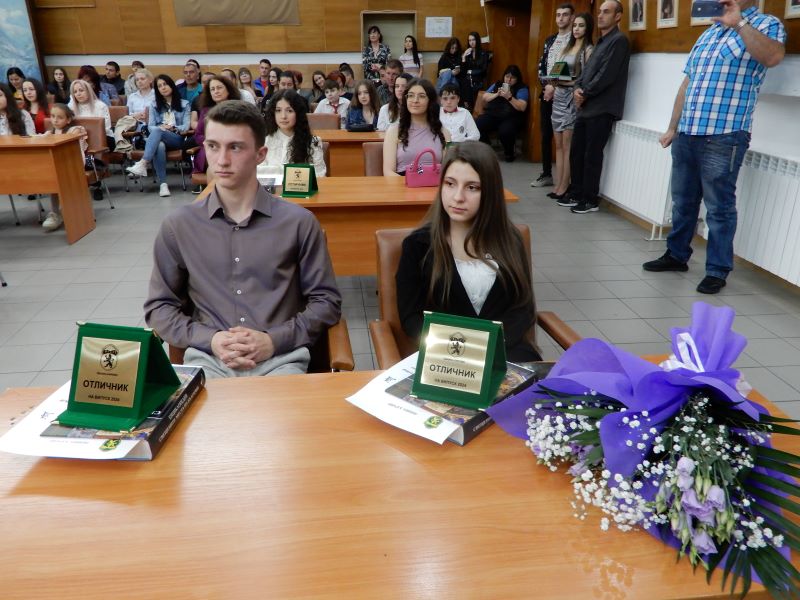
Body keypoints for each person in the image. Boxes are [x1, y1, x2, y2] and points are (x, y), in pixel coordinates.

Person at [143, 100, 342, 378]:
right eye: (213, 146)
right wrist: (210, 339)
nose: (222, 160)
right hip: (209, 359)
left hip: (281, 360)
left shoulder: (298, 222)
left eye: (235, 147)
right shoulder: (179, 226)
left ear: (261, 154)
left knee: (279, 406)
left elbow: (326, 302)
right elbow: (159, 307)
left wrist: (274, 340)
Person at [643, 0, 785, 294]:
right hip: (688, 132)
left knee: (719, 208)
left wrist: (739, 23)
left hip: (725, 134)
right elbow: (687, 84)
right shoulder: (708, 32)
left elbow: (773, 57)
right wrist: (672, 127)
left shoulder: (766, 24)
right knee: (683, 202)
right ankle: (676, 255)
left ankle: (717, 270)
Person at [396, 141, 541, 362]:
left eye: (472, 187)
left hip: (504, 354)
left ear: (490, 192)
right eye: (450, 184)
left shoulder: (510, 240)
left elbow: (523, 308)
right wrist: (457, 351)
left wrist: (490, 347)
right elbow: (411, 317)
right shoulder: (418, 245)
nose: (458, 197)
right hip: (446, 359)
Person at [559, 0, 630, 214]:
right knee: (577, 152)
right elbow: (586, 72)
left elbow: (606, 75)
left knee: (592, 155)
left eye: (606, 12)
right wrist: (577, 89)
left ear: (618, 16)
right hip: (586, 106)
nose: (600, 15)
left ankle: (590, 199)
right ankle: (576, 192)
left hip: (602, 108)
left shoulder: (619, 41)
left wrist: (584, 93)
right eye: (599, 11)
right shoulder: (600, 41)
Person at [545, 13, 594, 201]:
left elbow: (585, 79)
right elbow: (557, 71)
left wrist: (566, 82)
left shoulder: (587, 49)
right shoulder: (566, 47)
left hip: (571, 98)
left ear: (587, 28)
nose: (577, 29)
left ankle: (565, 186)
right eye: (575, 25)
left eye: (581, 25)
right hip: (558, 96)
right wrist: (553, 80)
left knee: (567, 147)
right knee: (557, 145)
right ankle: (558, 185)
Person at [126, 75, 191, 197]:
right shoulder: (154, 105)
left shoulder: (184, 104)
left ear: (171, 85)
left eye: (165, 84)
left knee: (158, 131)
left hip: (176, 138)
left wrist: (173, 128)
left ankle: (143, 162)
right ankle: (163, 185)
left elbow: (186, 126)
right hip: (158, 139)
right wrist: (161, 128)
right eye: (159, 86)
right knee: (159, 144)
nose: (163, 88)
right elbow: (150, 126)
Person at [533, 3, 574, 188]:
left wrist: (554, 86)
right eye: (558, 15)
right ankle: (546, 174)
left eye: (565, 15)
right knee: (546, 134)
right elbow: (542, 65)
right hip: (547, 92)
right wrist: (547, 86)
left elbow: (567, 67)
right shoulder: (550, 40)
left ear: (571, 18)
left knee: (564, 140)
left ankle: (565, 180)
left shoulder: (574, 40)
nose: (561, 18)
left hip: (565, 94)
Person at [383, 78, 450, 176]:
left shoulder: (444, 133)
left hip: (433, 182)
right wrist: (411, 182)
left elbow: (448, 171)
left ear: (430, 101)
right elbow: (388, 172)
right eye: (411, 95)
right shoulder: (394, 132)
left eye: (421, 96)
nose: (415, 100)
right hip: (402, 182)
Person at [41, 104, 88, 232]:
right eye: (52, 116)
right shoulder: (49, 133)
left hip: (73, 164)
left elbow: (71, 142)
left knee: (58, 177)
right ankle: (55, 213)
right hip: (56, 166)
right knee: (53, 178)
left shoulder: (74, 130)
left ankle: (68, 211)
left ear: (68, 120)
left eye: (60, 117)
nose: (55, 120)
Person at [259, 89, 327, 177]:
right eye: (278, 110)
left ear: (298, 113)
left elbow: (320, 174)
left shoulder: (313, 142)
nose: (283, 116)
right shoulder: (265, 141)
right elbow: (259, 173)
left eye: (289, 111)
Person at [475, 65, 529, 162]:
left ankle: (509, 153)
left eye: (512, 78)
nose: (509, 80)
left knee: (505, 131)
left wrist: (509, 97)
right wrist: (497, 94)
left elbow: (522, 107)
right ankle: (487, 147)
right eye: (507, 77)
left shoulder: (522, 88)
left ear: (517, 79)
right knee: (478, 124)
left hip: (511, 117)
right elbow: (485, 97)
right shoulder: (498, 84)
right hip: (494, 114)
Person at [191, 76, 241, 175]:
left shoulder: (238, 110)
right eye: (212, 89)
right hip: (211, 150)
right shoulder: (205, 111)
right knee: (214, 163)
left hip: (232, 149)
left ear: (228, 90)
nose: (216, 91)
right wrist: (213, 143)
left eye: (219, 88)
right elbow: (198, 135)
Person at [459, 31, 489, 110]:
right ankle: (467, 106)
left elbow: (484, 69)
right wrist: (464, 56)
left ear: (477, 40)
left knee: (467, 82)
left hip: (479, 78)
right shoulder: (468, 53)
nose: (471, 42)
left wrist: (472, 72)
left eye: (473, 40)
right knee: (464, 81)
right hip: (468, 78)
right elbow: (463, 70)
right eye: (470, 40)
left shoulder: (483, 53)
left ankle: (468, 106)